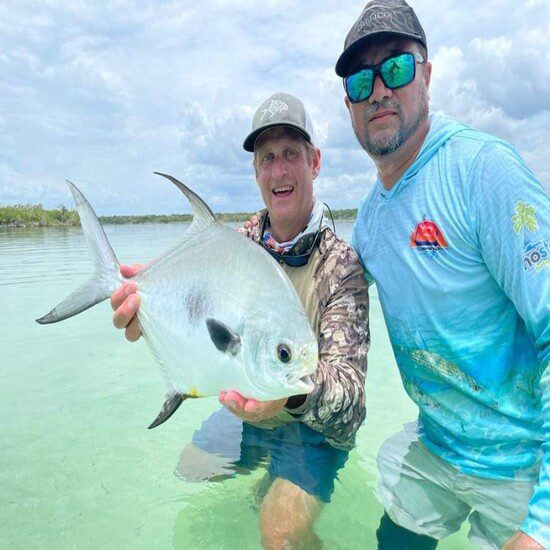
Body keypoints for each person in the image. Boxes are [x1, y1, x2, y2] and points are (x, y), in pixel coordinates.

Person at [109, 92, 370, 549]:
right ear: (255, 172)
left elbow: (352, 403)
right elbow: (195, 317)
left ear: (316, 162)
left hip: (312, 432)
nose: (279, 169)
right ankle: (270, 481)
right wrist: (145, 307)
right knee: (190, 471)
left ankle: (285, 488)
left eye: (292, 153)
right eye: (267, 157)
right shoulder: (236, 244)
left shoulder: (341, 266)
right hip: (250, 418)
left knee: (280, 537)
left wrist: (287, 398)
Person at [334, 1, 549, 549]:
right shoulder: (370, 219)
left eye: (396, 68)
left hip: (524, 465)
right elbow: (322, 303)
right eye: (361, 80)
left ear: (426, 75)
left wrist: (542, 521)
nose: (379, 89)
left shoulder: (485, 171)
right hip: (436, 450)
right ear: (349, 104)